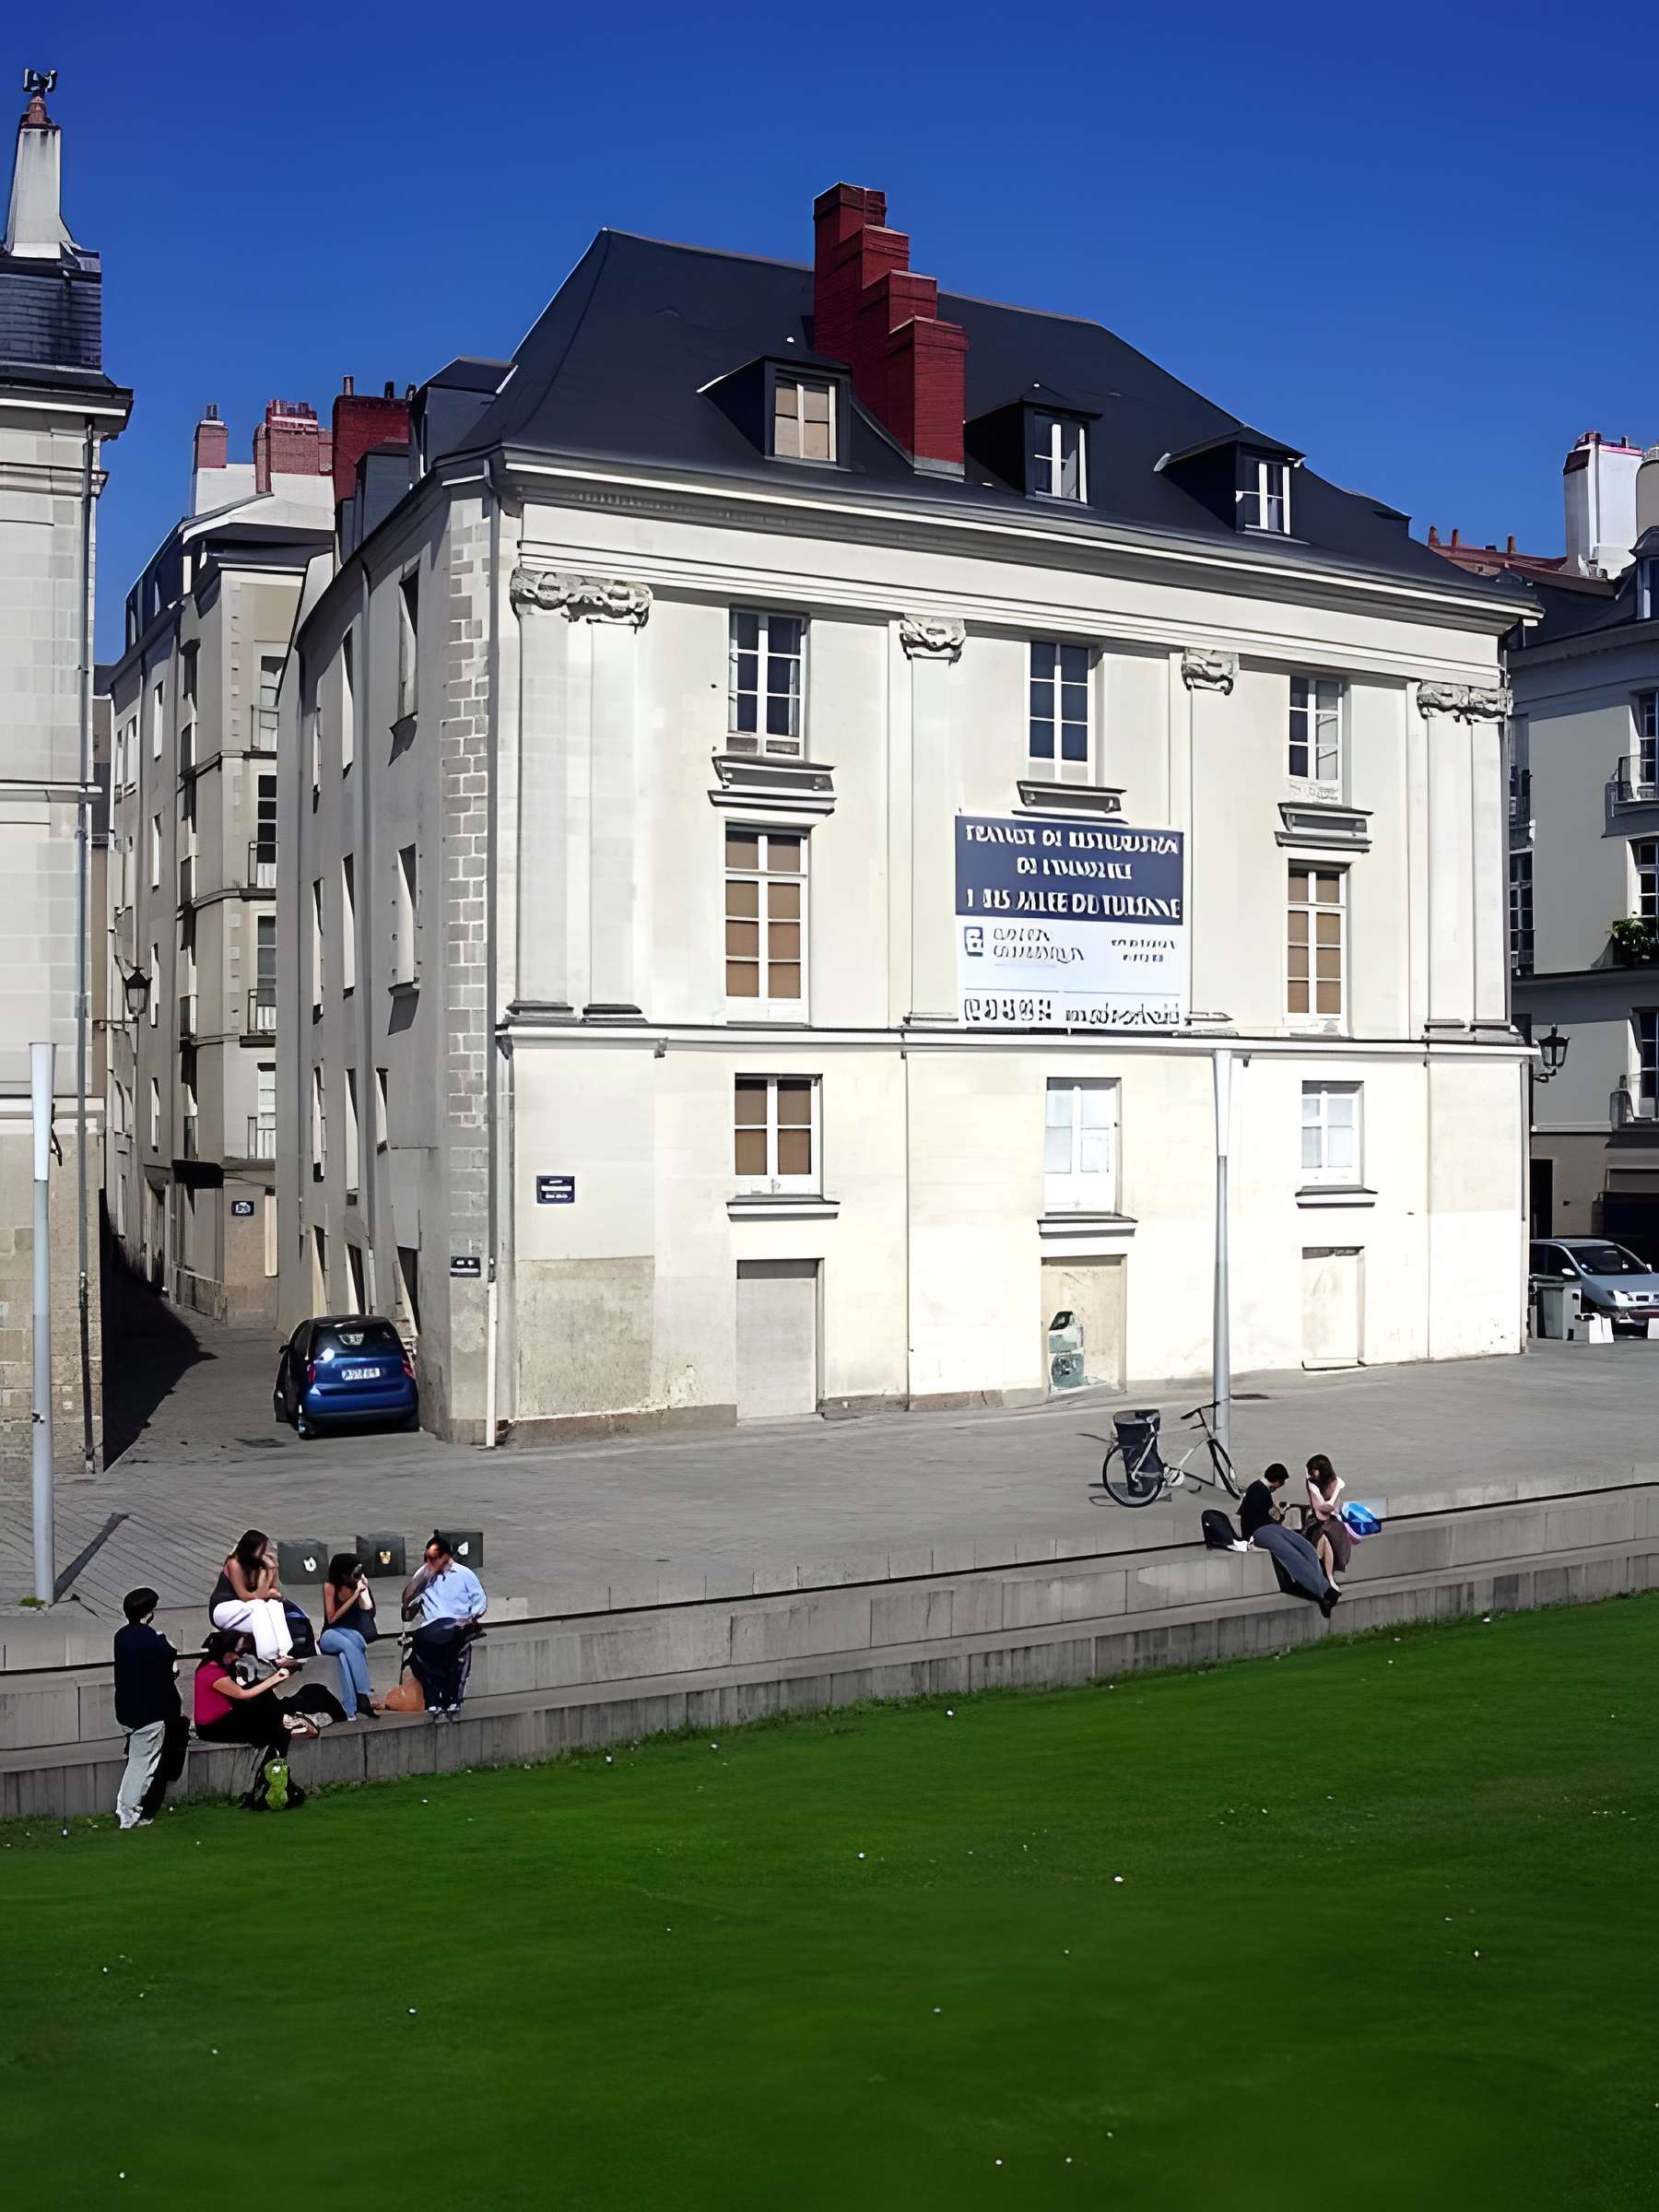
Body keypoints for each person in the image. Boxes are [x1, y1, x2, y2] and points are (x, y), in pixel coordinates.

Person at [193, 1630, 317, 1809]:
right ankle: (274, 1775)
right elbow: (243, 1694)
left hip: (227, 1715)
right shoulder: (211, 1673)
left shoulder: (219, 1667)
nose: (238, 1657)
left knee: (270, 1713)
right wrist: (274, 1679)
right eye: (236, 1653)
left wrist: (274, 1681)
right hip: (214, 1726)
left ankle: (277, 1767)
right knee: (272, 1730)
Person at [112, 1589, 188, 1830]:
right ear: (148, 1613)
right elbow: (170, 1670)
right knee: (143, 1763)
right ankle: (128, 1812)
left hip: (126, 1710)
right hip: (150, 1713)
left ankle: (130, 1808)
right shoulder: (155, 1641)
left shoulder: (120, 1637)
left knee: (138, 1758)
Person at [401, 1534, 487, 1718]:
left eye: (434, 1558)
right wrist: (424, 1576)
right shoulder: (423, 1574)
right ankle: (434, 1700)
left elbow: (480, 1603)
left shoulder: (463, 1574)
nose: (430, 1561)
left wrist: (468, 1619)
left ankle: (451, 1698)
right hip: (431, 1627)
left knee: (451, 1651)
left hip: (457, 1624)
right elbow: (407, 1600)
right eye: (428, 1557)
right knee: (427, 1649)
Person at [209, 1529, 296, 1665]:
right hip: (224, 1608)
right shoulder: (234, 1563)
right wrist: (267, 1595)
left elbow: (269, 1591)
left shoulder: (258, 1565)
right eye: (263, 1549)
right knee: (259, 1607)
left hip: (247, 1608)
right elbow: (245, 1596)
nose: (267, 1552)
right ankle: (268, 1656)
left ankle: (286, 1653)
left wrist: (272, 1568)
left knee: (274, 1605)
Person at [320, 1553, 380, 1720]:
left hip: (350, 1634)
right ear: (343, 1575)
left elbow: (369, 1611)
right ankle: (364, 1692)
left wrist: (363, 1590)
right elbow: (332, 1618)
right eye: (354, 1573)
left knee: (347, 1655)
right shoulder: (330, 1587)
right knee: (349, 1645)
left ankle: (350, 1709)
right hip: (331, 1634)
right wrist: (354, 1596)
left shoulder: (358, 1586)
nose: (356, 1576)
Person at [1304, 1453, 1354, 1590]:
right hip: (1317, 1522)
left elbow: (1335, 1507)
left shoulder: (1332, 1481)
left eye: (1313, 1470)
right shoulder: (1312, 1484)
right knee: (1325, 1537)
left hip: (1332, 1520)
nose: (1311, 1473)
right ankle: (1329, 1576)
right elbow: (1323, 1508)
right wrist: (1337, 1489)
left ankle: (1330, 1571)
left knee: (1337, 1531)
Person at [1239, 1463, 1290, 1542]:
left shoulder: (1255, 1485)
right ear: (1277, 1481)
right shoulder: (1264, 1493)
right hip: (1255, 1535)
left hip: (1247, 1530)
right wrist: (1281, 1512)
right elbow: (1266, 1520)